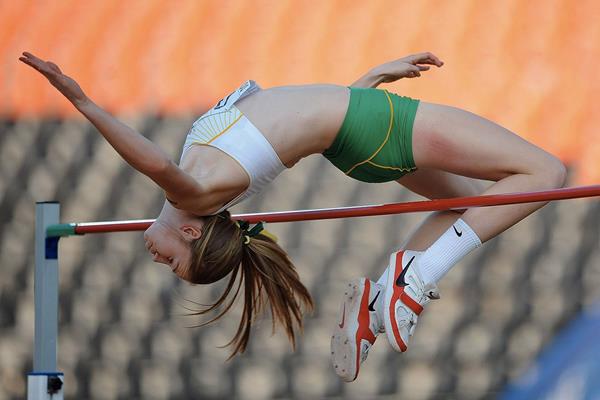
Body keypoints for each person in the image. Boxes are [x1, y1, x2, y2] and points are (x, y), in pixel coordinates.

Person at [19, 51, 566, 378]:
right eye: (173, 261)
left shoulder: (199, 168)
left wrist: (369, 79)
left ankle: (380, 297)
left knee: (473, 204)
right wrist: (83, 101)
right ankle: (416, 275)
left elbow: (296, 119)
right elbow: (154, 162)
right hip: (370, 129)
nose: (157, 258)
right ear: (190, 232)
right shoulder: (199, 190)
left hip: (359, 136)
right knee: (544, 175)